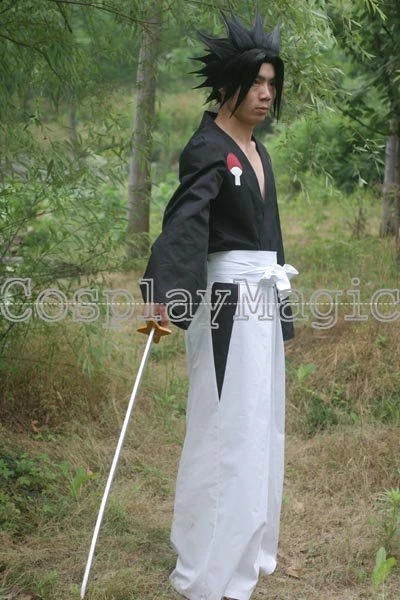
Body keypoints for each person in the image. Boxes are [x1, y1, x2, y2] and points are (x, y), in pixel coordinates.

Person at [140, 11, 298, 600]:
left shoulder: (258, 152)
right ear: (229, 84)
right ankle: (208, 562)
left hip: (261, 301)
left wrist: (282, 319)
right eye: (256, 82)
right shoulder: (208, 149)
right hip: (227, 309)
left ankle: (247, 547)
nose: (266, 93)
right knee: (225, 430)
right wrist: (166, 291)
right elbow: (185, 223)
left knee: (261, 427)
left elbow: (271, 242)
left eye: (272, 84)